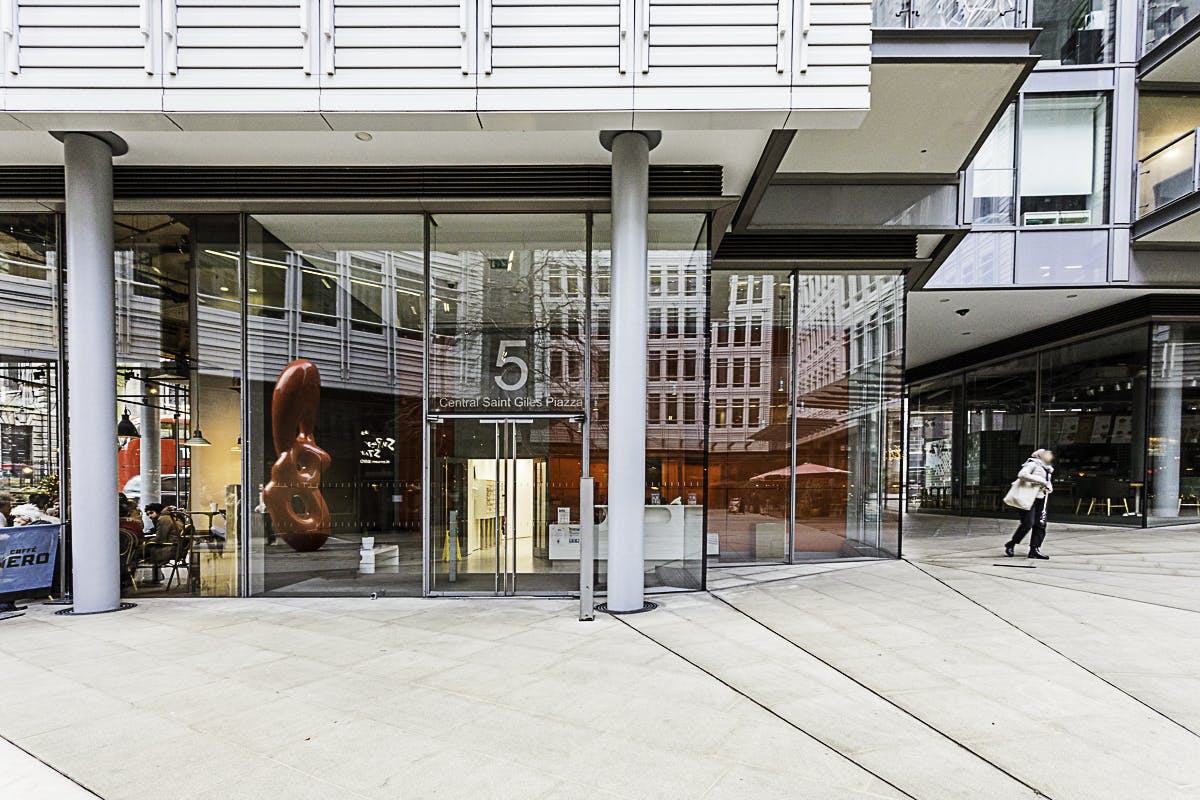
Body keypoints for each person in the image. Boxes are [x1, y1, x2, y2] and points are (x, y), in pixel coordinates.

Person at [1005, 448, 1055, 560]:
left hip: (1042, 498)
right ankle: (1012, 543)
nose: (1050, 456)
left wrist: (1049, 486)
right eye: (1047, 454)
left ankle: (1034, 549)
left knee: (1040, 524)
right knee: (1028, 523)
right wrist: (1042, 481)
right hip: (1028, 498)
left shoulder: (1048, 468)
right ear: (1040, 455)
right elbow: (1022, 474)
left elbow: (1047, 481)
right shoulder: (1033, 464)